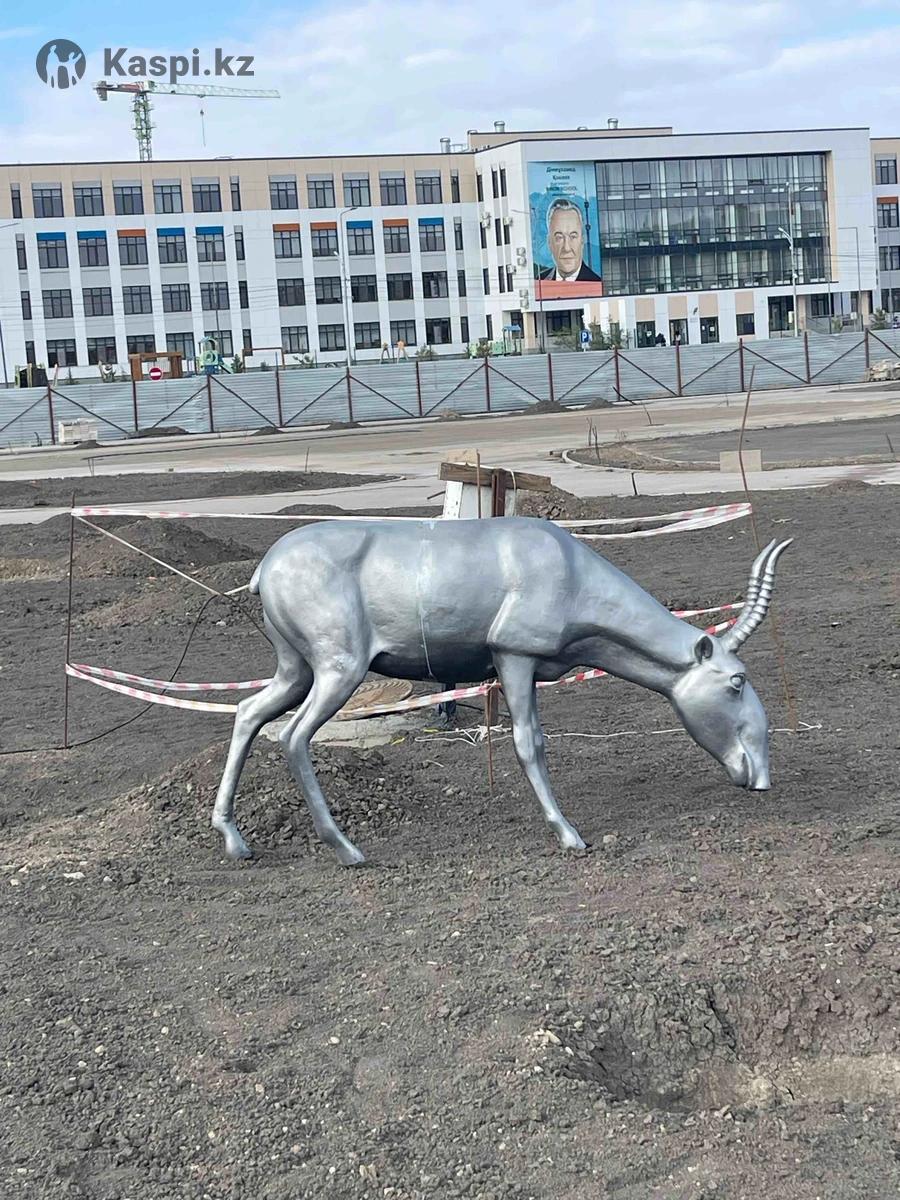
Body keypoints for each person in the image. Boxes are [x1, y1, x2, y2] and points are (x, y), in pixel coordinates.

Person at [539, 198, 601, 282]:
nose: (566, 248)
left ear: (582, 241)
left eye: (573, 237)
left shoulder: (595, 283)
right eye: (559, 237)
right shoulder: (540, 281)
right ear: (549, 242)